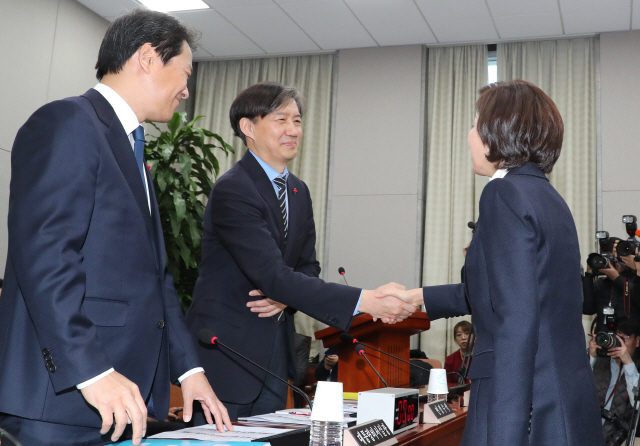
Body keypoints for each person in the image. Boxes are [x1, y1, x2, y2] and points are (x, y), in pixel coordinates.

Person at [0, 10, 231, 446]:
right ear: (147, 57)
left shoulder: (132, 147)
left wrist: (189, 370)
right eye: (184, 74)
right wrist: (92, 370)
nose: (186, 90)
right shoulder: (69, 122)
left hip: (120, 400)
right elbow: (46, 255)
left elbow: (155, 279)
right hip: (68, 398)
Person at [379, 80, 604, 445]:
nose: (469, 135)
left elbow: (515, 320)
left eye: (473, 124)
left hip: (524, 404)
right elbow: (511, 291)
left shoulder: (503, 194)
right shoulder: (547, 196)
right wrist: (418, 297)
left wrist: (505, 429)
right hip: (559, 397)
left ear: (496, 132)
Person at [185, 82, 416, 421]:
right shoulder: (233, 189)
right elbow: (272, 275)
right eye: (281, 120)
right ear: (248, 127)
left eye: (297, 120)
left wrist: (286, 297)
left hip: (275, 354)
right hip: (227, 351)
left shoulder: (298, 190)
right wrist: (366, 301)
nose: (293, 130)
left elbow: (307, 266)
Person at [589, 317, 640, 443]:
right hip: (584, 431)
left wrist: (627, 362)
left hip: (609, 439)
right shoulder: (598, 360)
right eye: (617, 337)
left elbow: (637, 404)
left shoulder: (636, 370)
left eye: (626, 337)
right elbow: (574, 389)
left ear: (637, 341)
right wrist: (590, 356)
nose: (620, 342)